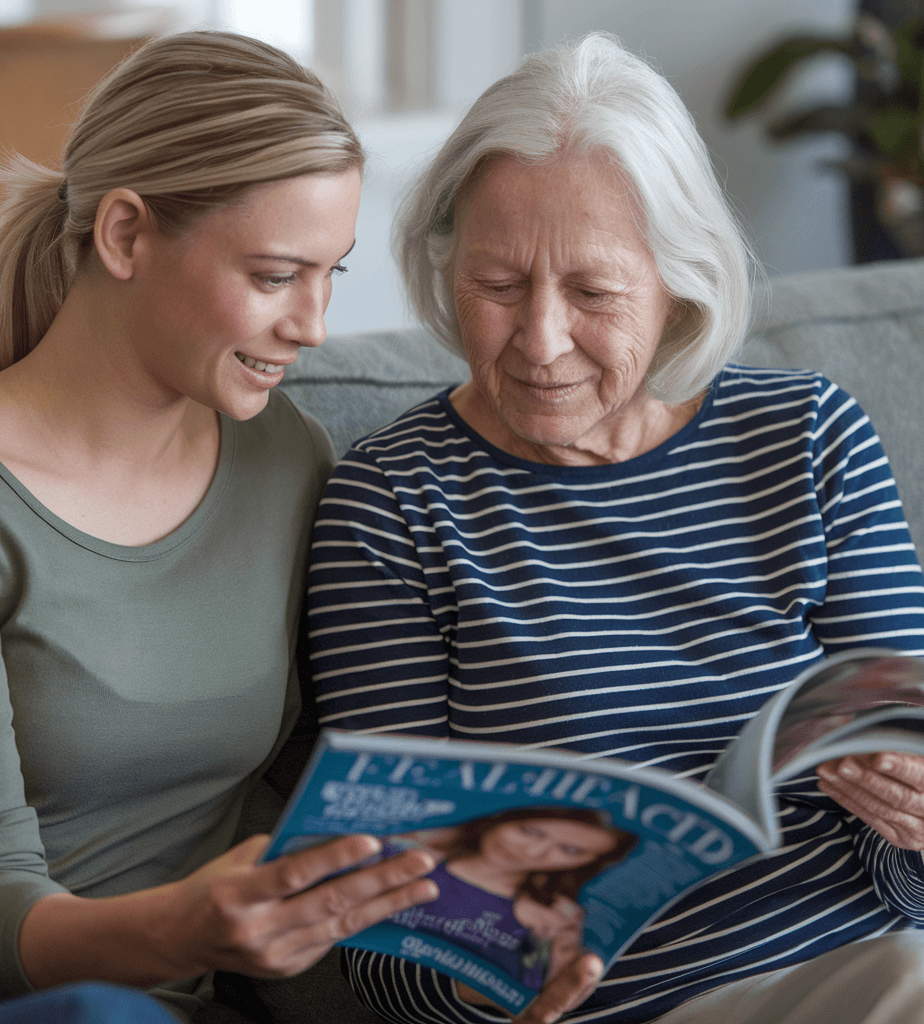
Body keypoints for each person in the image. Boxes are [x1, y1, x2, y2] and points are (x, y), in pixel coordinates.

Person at [305, 31, 924, 1024]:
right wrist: (498, 974)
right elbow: (380, 937)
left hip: (862, 965)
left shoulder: (808, 438)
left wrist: (915, 832)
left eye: (591, 293)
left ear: (679, 282)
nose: (541, 341)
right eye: (498, 287)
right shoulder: (396, 503)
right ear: (446, 263)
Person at [0, 29, 439, 1024]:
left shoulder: (290, 461)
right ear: (124, 235)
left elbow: (344, 784)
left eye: (334, 275)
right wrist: (184, 928)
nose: (313, 325)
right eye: (277, 275)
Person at [386, 810, 636, 994]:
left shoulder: (554, 916)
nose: (532, 853)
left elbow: (545, 992)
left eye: (571, 851)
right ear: (500, 815)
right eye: (529, 831)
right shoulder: (406, 856)